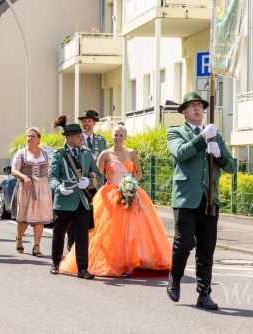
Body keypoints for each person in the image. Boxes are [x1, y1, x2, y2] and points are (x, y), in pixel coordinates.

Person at [60, 124, 172, 277]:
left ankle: (131, 262)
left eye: (121, 135)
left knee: (133, 229)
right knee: (110, 232)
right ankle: (114, 262)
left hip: (131, 192)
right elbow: (96, 175)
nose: (118, 138)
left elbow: (138, 172)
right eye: (115, 135)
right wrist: (88, 180)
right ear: (112, 137)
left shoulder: (132, 153)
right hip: (110, 195)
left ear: (125, 137)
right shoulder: (105, 154)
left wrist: (132, 182)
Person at [166, 91, 236, 310]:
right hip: (186, 198)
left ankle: (203, 294)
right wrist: (204, 137)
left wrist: (220, 155)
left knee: (206, 248)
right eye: (192, 105)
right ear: (185, 111)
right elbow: (181, 153)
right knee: (184, 243)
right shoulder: (175, 132)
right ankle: (174, 279)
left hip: (209, 199)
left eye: (200, 105)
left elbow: (232, 167)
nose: (197, 109)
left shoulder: (216, 135)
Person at [48, 115, 102, 279]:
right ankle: (56, 262)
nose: (82, 138)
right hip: (64, 200)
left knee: (82, 236)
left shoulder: (86, 154)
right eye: (78, 136)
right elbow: (52, 177)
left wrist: (90, 182)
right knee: (59, 234)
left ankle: (83, 269)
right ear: (69, 138)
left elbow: (98, 174)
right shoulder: (58, 154)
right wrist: (59, 188)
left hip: (83, 201)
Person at [66, 108, 108, 251]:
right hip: (79, 183)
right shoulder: (75, 138)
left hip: (97, 184)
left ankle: (93, 246)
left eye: (89, 121)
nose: (86, 124)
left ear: (94, 123)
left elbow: (107, 161)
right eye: (84, 121)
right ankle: (71, 243)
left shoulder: (101, 141)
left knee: (95, 215)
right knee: (75, 214)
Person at [11, 127, 53, 257]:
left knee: (40, 218)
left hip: (42, 187)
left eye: (33, 136)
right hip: (26, 188)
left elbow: (48, 170)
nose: (30, 138)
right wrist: (24, 177)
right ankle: (19, 238)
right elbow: (14, 170)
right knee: (24, 218)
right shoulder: (21, 153)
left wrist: (45, 180)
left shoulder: (45, 154)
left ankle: (37, 247)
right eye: (28, 136)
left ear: (39, 139)